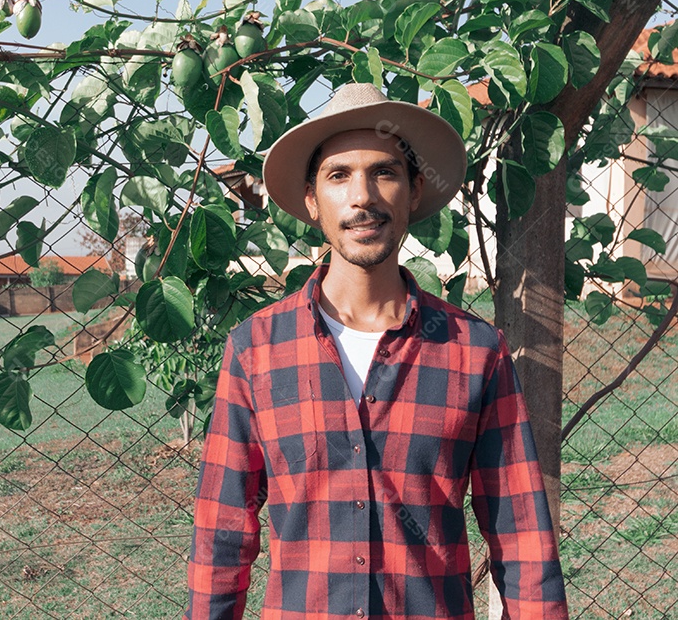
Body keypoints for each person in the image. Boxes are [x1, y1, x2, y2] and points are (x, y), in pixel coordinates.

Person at [185, 83, 568, 619]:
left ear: (413, 191)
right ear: (313, 202)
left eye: (383, 172)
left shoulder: (476, 352)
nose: (362, 196)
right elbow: (224, 531)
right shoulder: (256, 350)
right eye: (339, 176)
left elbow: (521, 529)